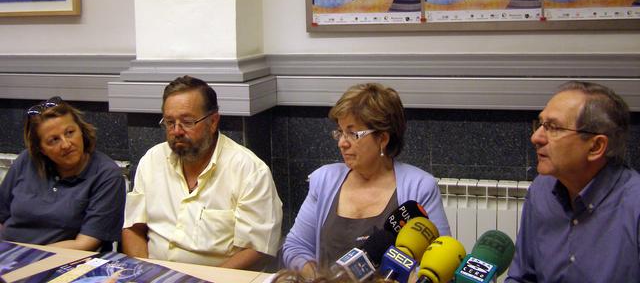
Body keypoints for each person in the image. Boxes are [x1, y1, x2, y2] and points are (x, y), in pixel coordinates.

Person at [281, 83, 450, 279]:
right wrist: (320, 278)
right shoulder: (324, 180)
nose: (342, 143)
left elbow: (438, 261)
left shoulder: (420, 188)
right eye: (340, 132)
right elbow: (296, 246)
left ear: (382, 139)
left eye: (353, 134)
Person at [121, 75, 283, 269]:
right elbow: (133, 228)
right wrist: (144, 272)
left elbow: (258, 249)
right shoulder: (152, 160)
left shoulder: (249, 171)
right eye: (170, 122)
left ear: (213, 122)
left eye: (187, 122)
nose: (177, 131)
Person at [506, 81, 640, 282]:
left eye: (553, 127)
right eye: (540, 124)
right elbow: (523, 277)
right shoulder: (542, 189)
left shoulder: (634, 206)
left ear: (596, 147)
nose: (536, 137)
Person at [0, 97, 126, 250]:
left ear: (81, 130)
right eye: (54, 140)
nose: (66, 144)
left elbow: (85, 243)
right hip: (8, 253)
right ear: (41, 149)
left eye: (70, 133)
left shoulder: (106, 175)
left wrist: (28, 255)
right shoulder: (27, 160)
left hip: (61, 258)